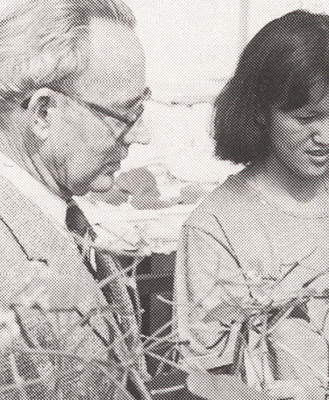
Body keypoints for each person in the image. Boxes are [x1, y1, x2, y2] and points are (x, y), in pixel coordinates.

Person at [0, 1, 261, 399]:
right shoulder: (10, 267)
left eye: (142, 110)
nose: (140, 136)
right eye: (124, 114)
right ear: (43, 113)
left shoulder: (58, 217)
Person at [174, 9, 329, 400]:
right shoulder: (215, 226)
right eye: (306, 118)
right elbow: (204, 375)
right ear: (259, 111)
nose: (327, 135)